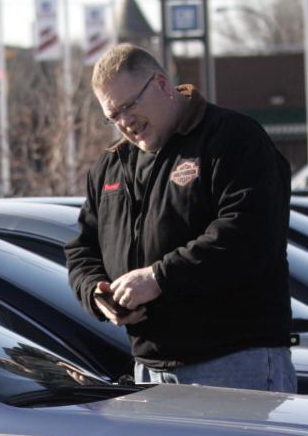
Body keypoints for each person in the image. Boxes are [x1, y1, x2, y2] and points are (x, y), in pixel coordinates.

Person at [64, 43, 296, 393]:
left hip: (232, 362)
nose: (125, 122)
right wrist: (97, 295)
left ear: (161, 84)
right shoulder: (111, 166)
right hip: (148, 371)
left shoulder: (231, 139)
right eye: (113, 116)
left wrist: (159, 277)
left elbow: (249, 235)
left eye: (129, 106)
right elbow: (82, 249)